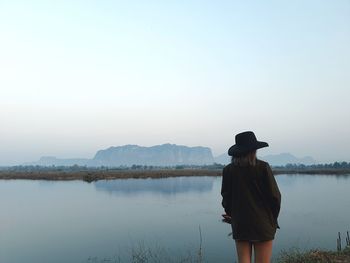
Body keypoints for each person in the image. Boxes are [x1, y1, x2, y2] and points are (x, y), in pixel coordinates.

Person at [221, 131, 281, 263]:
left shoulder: (228, 170)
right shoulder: (263, 167)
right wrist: (273, 219)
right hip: (263, 224)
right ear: (253, 150)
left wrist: (233, 215)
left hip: (240, 224)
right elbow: (275, 197)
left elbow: (226, 199)